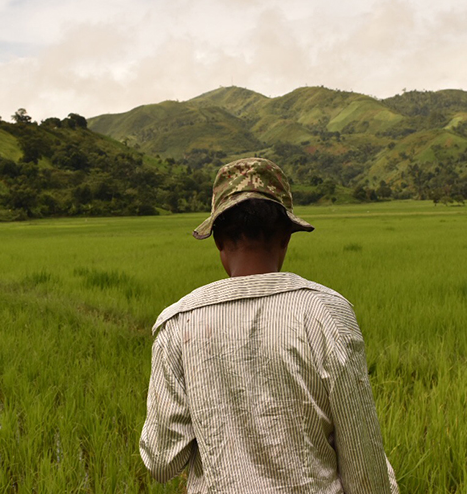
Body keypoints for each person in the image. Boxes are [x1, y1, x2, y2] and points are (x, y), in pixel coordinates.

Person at [140, 157, 399, 493]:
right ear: (286, 237)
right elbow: (364, 464)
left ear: (218, 240)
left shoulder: (177, 324)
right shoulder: (327, 313)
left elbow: (162, 461)